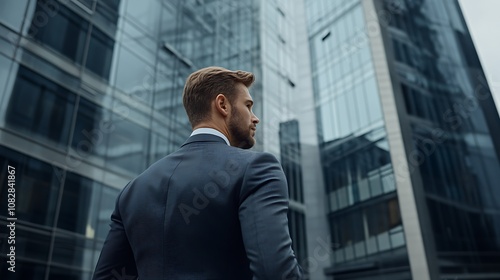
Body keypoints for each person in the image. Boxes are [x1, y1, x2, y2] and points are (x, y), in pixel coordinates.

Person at [92, 66, 303, 280]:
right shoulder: (258, 168)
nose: (255, 118)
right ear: (223, 105)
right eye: (248, 106)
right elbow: (275, 273)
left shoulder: (133, 190)